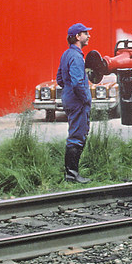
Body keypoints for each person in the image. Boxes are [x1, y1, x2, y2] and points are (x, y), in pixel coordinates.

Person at [57, 22, 93, 183]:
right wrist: (85, 98)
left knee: (75, 133)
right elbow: (78, 82)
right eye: (86, 33)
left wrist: (69, 91)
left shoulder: (66, 54)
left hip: (69, 99)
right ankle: (71, 175)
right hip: (78, 102)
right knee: (77, 135)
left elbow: (59, 78)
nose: (89, 36)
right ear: (78, 37)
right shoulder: (77, 57)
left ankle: (71, 173)